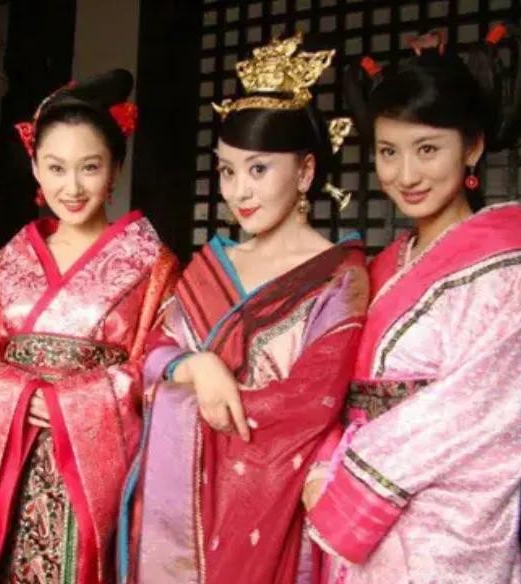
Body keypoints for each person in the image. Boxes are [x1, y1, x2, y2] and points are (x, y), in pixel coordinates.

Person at [118, 33, 369, 584]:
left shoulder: (339, 278)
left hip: (273, 505)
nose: (237, 192)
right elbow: (153, 352)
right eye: (227, 171)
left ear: (305, 172)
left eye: (258, 169)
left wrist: (205, 393)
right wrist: (196, 365)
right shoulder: (212, 264)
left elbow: (309, 406)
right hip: (180, 509)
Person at [304, 24, 521, 584]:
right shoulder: (384, 265)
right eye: (388, 152)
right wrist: (324, 463)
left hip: (441, 522)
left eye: (428, 149)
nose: (406, 175)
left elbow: (477, 409)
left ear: (472, 147)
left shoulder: (504, 273)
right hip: (359, 498)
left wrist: (350, 480)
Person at [0, 69, 179, 584]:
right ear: (35, 169)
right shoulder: (5, 263)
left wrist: (75, 404)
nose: (72, 187)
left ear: (115, 167)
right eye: (56, 168)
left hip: (92, 474)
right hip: (8, 458)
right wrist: (20, 395)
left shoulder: (151, 264)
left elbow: (157, 368)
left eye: (89, 167)